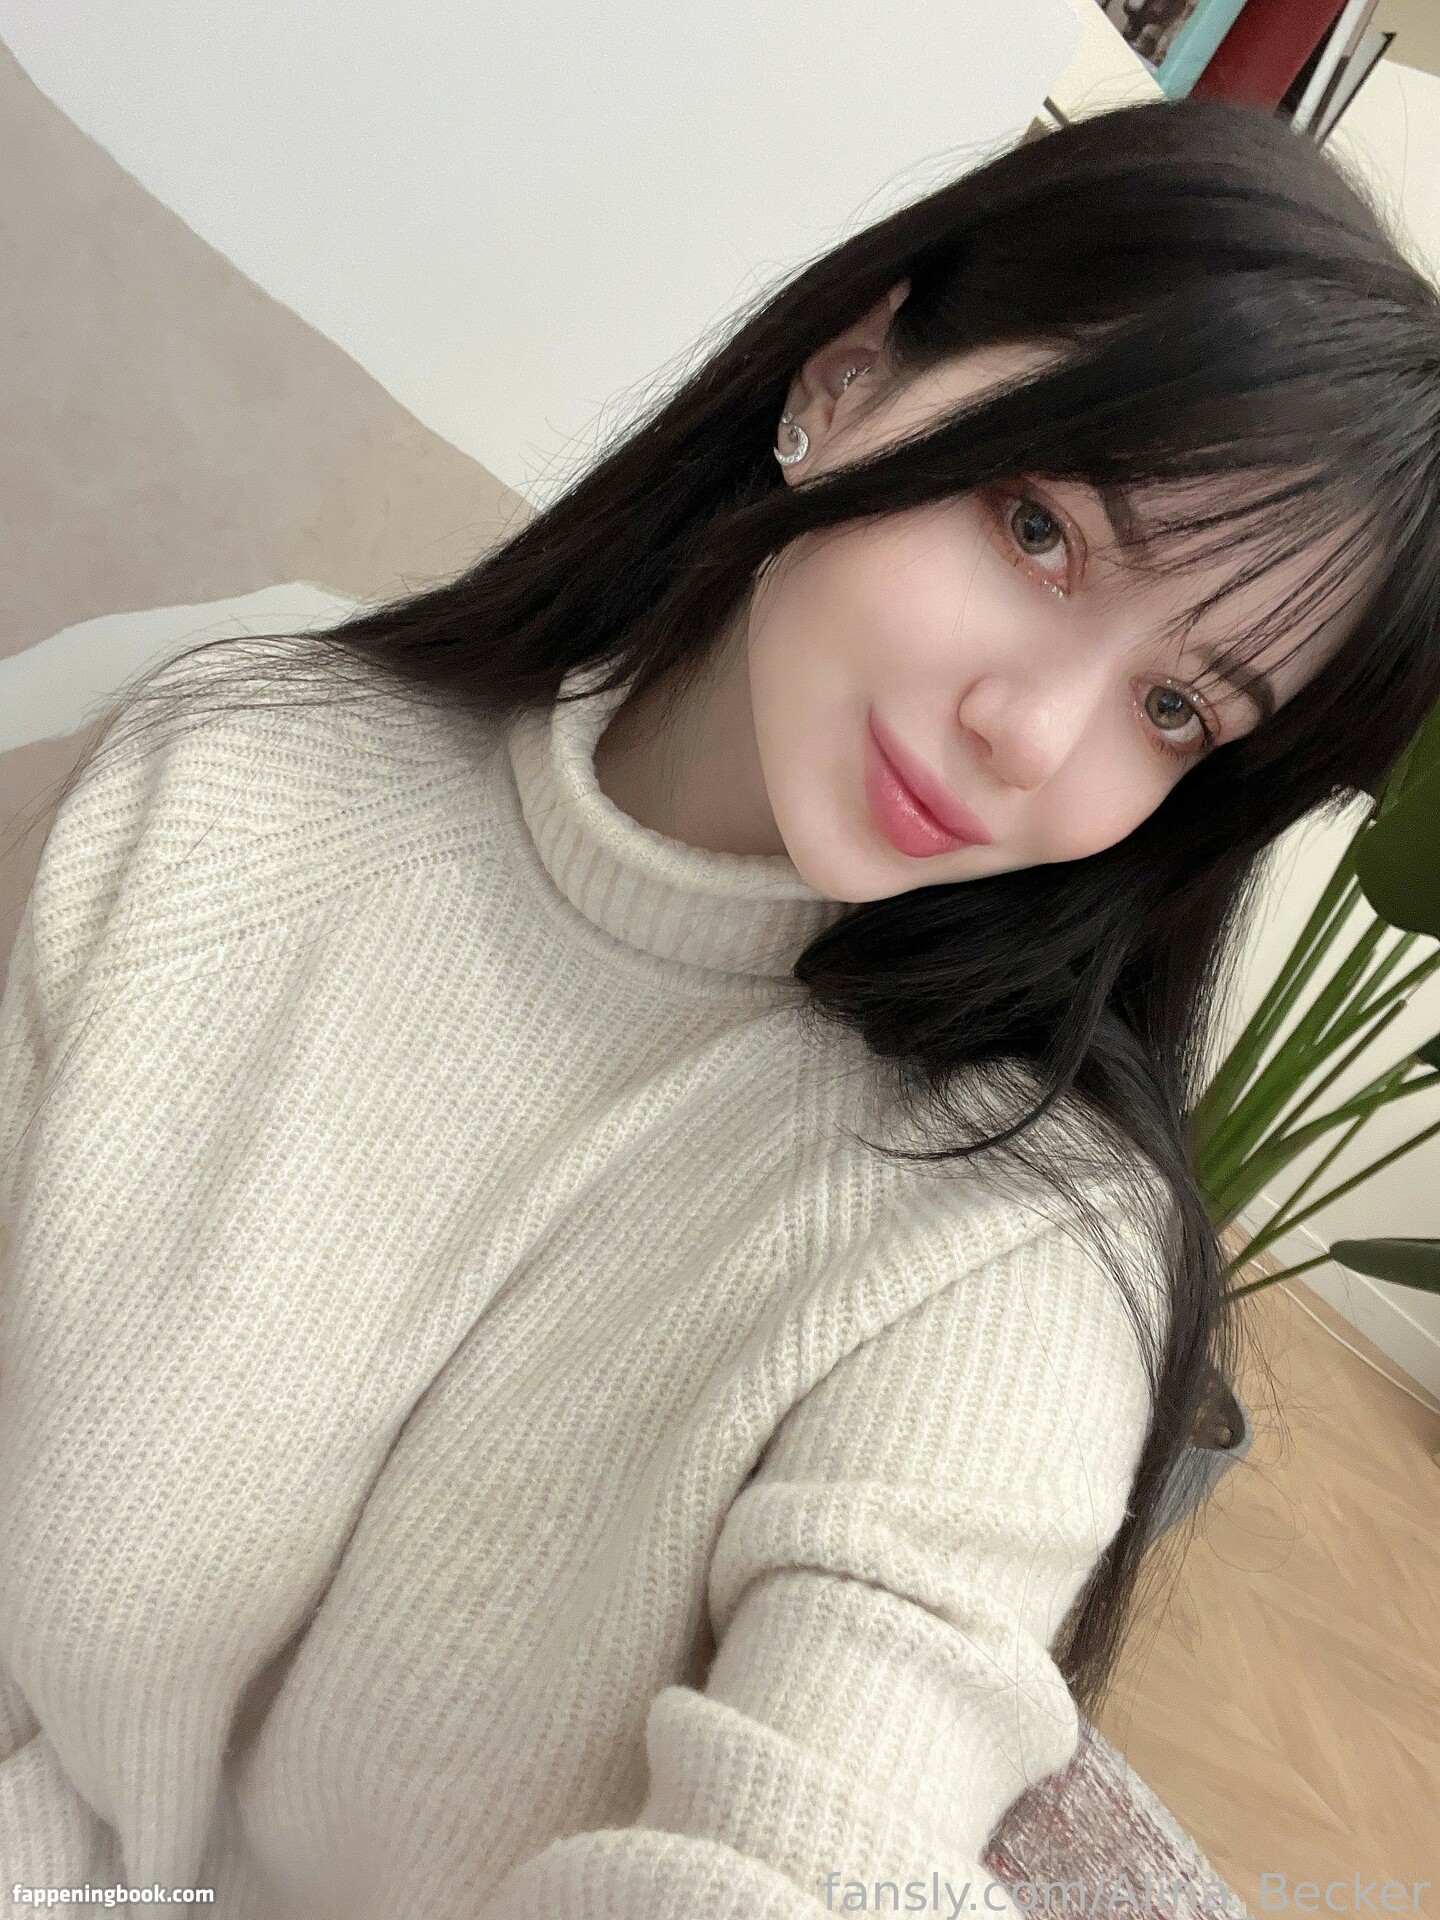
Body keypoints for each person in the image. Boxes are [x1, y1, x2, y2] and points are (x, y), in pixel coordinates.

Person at [2, 94, 1438, 1919]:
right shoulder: (242, 779)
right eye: (1042, 530)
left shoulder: (1010, 1250)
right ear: (844, 381)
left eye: (1178, 710)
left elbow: (818, 1845)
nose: (1030, 734)